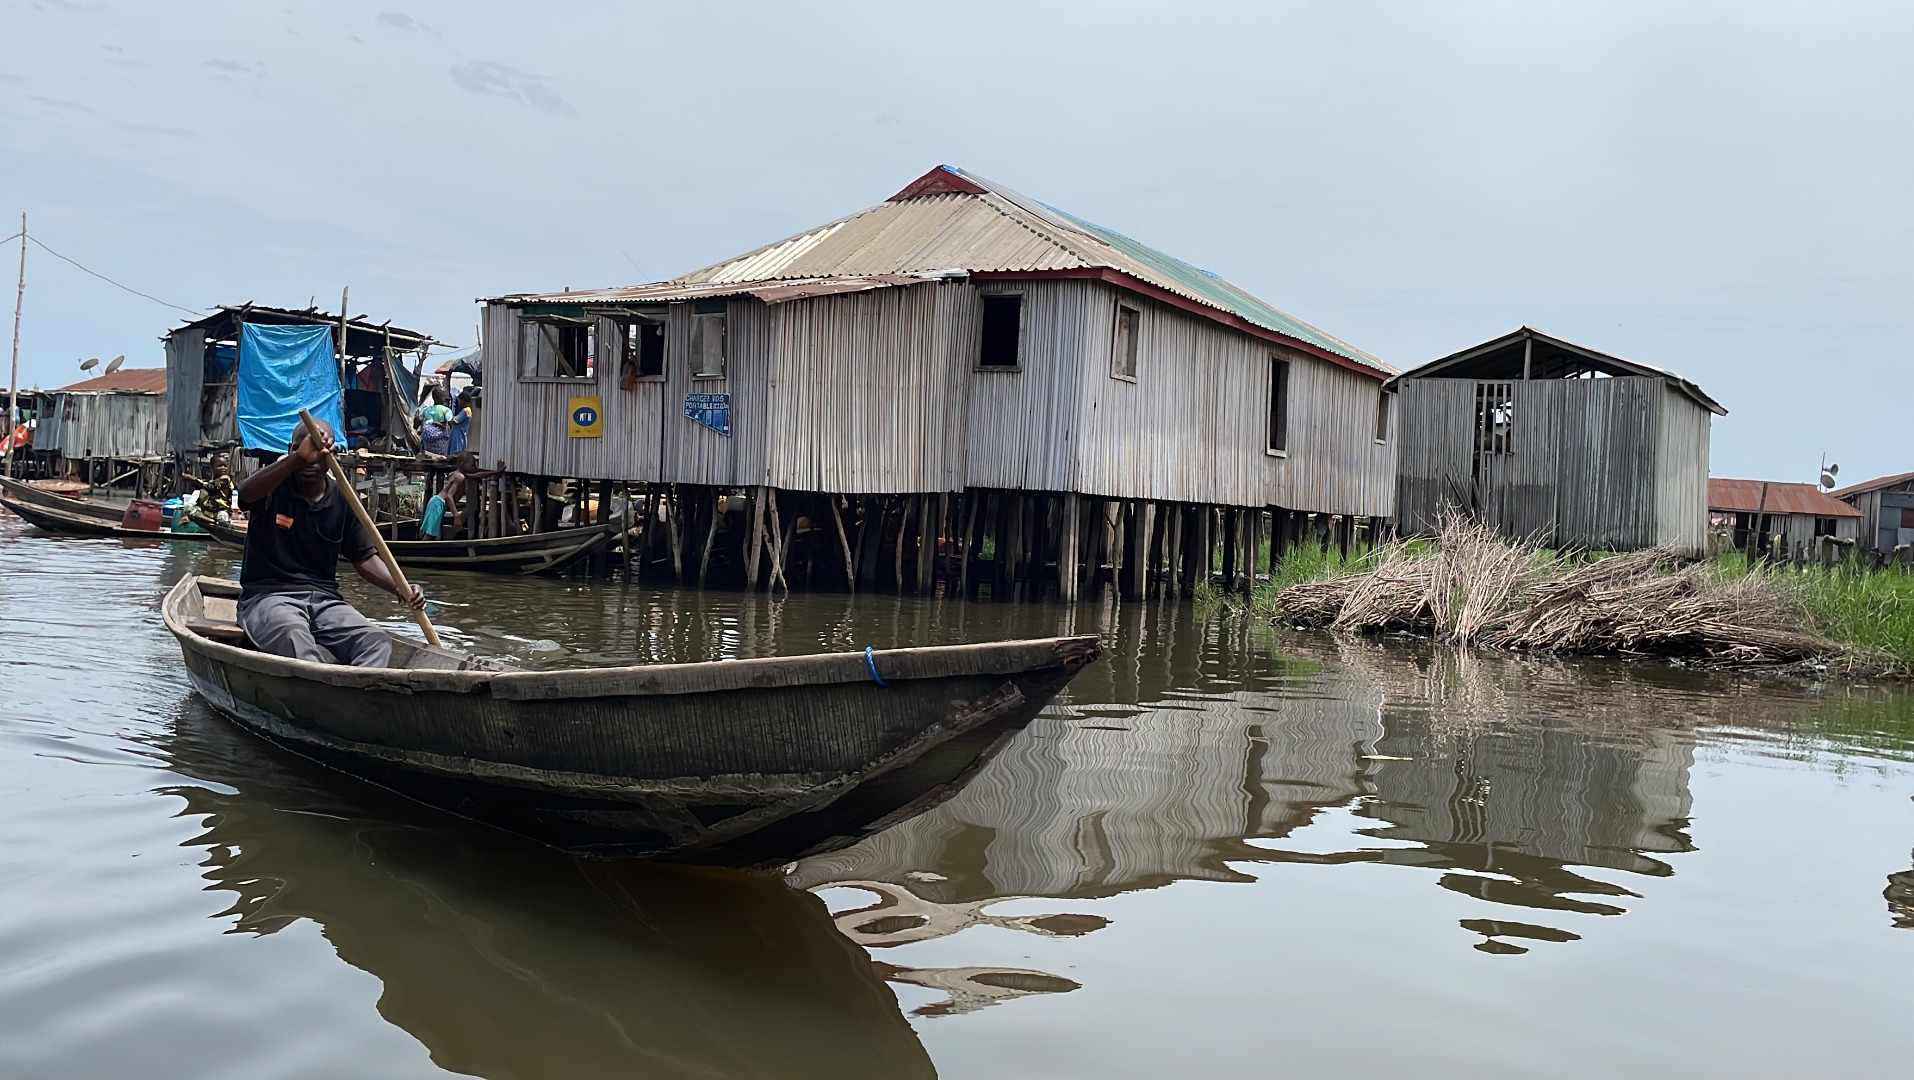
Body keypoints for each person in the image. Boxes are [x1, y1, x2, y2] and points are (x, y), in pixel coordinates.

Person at [235, 418, 425, 667]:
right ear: (291, 450)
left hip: (324, 601)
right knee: (294, 635)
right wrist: (298, 458)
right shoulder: (273, 485)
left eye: (318, 451)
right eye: (302, 449)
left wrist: (400, 588)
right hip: (269, 597)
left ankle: (355, 694)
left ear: (332, 454)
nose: (311, 459)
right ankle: (318, 689)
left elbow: (364, 557)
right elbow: (246, 494)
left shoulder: (344, 499)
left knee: (376, 641)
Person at [422, 452, 502, 539]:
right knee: (430, 534)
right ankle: (420, 550)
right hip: (438, 504)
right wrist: (456, 516)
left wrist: (496, 471)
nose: (474, 467)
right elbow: (449, 496)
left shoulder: (456, 474)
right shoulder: (460, 477)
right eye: (472, 465)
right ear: (462, 464)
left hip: (436, 502)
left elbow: (478, 475)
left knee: (431, 532)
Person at [194, 454, 236, 522]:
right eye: (219, 466)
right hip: (206, 511)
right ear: (212, 467)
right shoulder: (207, 481)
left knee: (223, 519)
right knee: (189, 510)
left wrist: (193, 479)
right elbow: (201, 498)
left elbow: (211, 487)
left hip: (220, 511)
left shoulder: (225, 480)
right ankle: (210, 520)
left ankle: (213, 521)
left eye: (225, 466)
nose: (223, 468)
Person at [446, 389, 474, 455]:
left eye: (459, 401)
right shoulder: (466, 410)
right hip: (458, 435)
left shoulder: (466, 411)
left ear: (462, 400)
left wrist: (448, 417)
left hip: (458, 436)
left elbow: (454, 421)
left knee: (456, 453)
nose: (459, 403)